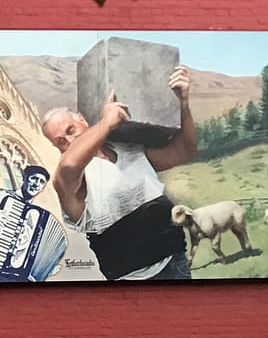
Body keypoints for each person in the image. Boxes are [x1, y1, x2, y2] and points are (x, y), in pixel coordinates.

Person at [40, 66, 196, 281]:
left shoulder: (129, 148)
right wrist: (106, 122)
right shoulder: (70, 181)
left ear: (82, 120)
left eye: (70, 130)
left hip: (174, 265)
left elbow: (184, 150)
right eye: (59, 142)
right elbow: (68, 164)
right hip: (129, 282)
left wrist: (184, 103)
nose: (68, 141)